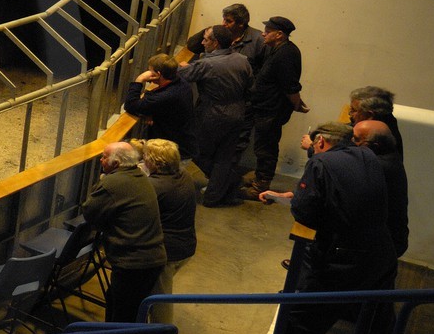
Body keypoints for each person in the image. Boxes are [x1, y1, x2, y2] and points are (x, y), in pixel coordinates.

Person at [245, 122, 393, 334]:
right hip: (381, 254)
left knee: (299, 318)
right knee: (379, 322)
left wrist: (299, 196)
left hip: (343, 259)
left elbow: (306, 213)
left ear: (321, 142)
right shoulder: (367, 158)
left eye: (312, 144)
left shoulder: (320, 162)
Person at [83, 142, 167, 334]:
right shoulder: (140, 178)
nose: (100, 161)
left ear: (116, 163)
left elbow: (90, 212)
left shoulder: (113, 183)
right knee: (128, 306)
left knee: (123, 310)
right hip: (153, 257)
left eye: (103, 157)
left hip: (133, 261)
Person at [347, 119, 410, 334]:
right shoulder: (388, 160)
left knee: (378, 321)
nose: (350, 144)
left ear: (370, 146)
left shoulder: (378, 168)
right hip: (383, 247)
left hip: (377, 251)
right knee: (375, 318)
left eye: (355, 140)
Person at [176, 25, 252, 207]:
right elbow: (250, 87)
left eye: (206, 39)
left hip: (212, 113)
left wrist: (184, 66)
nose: (202, 42)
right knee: (224, 157)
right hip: (238, 112)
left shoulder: (207, 64)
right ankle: (215, 195)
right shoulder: (242, 60)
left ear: (215, 43)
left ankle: (228, 182)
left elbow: (181, 75)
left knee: (195, 150)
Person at [139, 139, 196, 334]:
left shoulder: (154, 186)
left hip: (166, 252)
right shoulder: (185, 176)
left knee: (161, 298)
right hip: (186, 246)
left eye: (145, 157)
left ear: (154, 162)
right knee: (158, 292)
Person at [243, 15, 308, 199]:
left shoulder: (286, 54)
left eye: (268, 32)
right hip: (264, 107)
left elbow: (290, 85)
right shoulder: (277, 49)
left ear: (279, 34)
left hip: (271, 111)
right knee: (262, 145)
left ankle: (261, 185)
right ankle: (260, 177)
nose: (263, 34)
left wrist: (297, 103)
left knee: (266, 147)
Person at [123, 54, 195, 158]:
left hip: (173, 153)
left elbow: (131, 105)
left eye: (150, 70)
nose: (147, 72)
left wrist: (139, 80)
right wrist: (151, 111)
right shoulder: (182, 83)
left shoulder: (164, 96)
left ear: (158, 74)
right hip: (181, 144)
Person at [185, 2, 261, 62]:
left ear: (241, 23)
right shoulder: (220, 33)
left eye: (228, 21)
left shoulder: (259, 40)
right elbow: (191, 46)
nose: (223, 24)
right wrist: (210, 31)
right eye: (224, 19)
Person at [349, 86, 404, 154]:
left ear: (369, 115)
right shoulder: (385, 120)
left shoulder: (375, 141)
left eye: (353, 110)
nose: (350, 114)